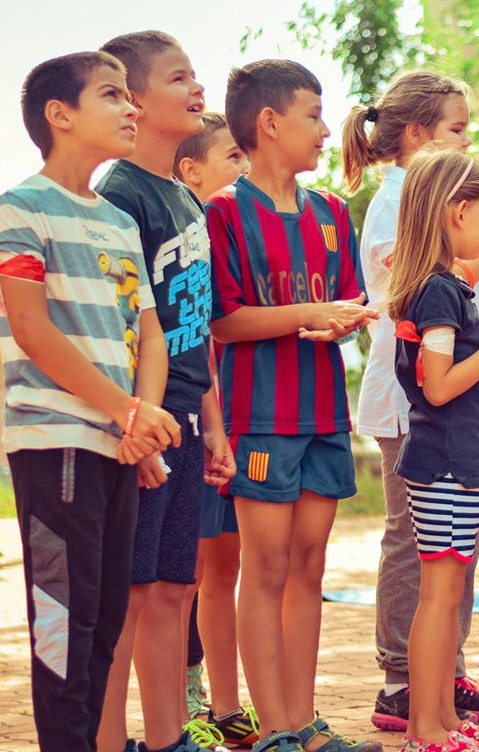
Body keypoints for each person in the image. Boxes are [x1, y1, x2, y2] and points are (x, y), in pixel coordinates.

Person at [0, 50, 181, 751]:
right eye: (112, 95)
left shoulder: (119, 222)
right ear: (60, 115)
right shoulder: (19, 208)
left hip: (116, 442)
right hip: (57, 446)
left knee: (104, 625)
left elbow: (149, 332)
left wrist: (141, 423)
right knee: (61, 628)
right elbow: (34, 330)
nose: (131, 107)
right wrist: (127, 411)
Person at [206, 59, 380, 752]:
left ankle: (304, 723)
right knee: (266, 567)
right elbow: (223, 322)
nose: (322, 127)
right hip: (257, 418)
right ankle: (272, 725)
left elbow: (351, 301)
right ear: (269, 123)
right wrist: (313, 310)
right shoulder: (222, 211)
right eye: (311, 113)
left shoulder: (333, 213)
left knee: (310, 567)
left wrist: (341, 320)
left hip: (323, 417)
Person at [342, 70, 479, 731]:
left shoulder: (445, 195)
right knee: (417, 540)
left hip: (462, 389)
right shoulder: (403, 199)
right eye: (457, 128)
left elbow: (471, 285)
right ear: (416, 135)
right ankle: (402, 679)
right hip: (417, 400)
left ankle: (444, 673)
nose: (469, 139)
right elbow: (423, 285)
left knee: (455, 547)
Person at [91, 30, 237, 752]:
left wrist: (210, 421)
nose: (198, 90)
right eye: (181, 78)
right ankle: (110, 741)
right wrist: (134, 422)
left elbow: (197, 318)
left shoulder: (184, 198)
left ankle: (168, 737)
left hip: (184, 409)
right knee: (128, 593)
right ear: (136, 101)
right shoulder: (120, 195)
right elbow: (122, 327)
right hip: (139, 417)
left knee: (174, 589)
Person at [387, 149, 479, 752]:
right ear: (456, 212)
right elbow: (438, 384)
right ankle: (425, 728)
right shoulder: (439, 293)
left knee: (448, 595)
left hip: (457, 461)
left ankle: (444, 719)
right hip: (443, 462)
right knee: (438, 596)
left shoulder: (446, 286)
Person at [173, 111, 259, 745]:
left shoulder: (239, 231)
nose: (245, 167)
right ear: (192, 170)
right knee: (186, 574)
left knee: (225, 566)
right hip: (202, 420)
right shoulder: (187, 236)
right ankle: (182, 702)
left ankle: (226, 708)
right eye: (233, 157)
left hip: (238, 420)